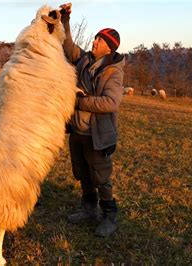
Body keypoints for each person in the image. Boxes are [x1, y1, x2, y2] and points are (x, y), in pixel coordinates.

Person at [60, 3, 125, 237]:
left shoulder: (113, 72)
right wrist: (65, 21)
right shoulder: (84, 60)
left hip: (96, 136)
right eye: (95, 38)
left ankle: (110, 216)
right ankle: (89, 209)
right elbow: (68, 48)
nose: (94, 42)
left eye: (98, 40)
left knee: (101, 178)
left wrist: (80, 102)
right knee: (83, 174)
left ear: (108, 48)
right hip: (77, 132)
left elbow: (111, 103)